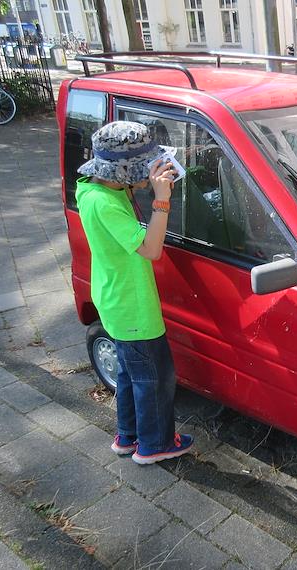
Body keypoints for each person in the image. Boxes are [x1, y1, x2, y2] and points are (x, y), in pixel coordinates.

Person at [75, 121, 194, 465]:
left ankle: (128, 436)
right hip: (132, 307)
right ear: (123, 173)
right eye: (144, 167)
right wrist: (162, 199)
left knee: (129, 375)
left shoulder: (93, 190)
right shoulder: (106, 204)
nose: (150, 173)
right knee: (155, 379)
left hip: (114, 297)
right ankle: (154, 446)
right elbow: (151, 249)